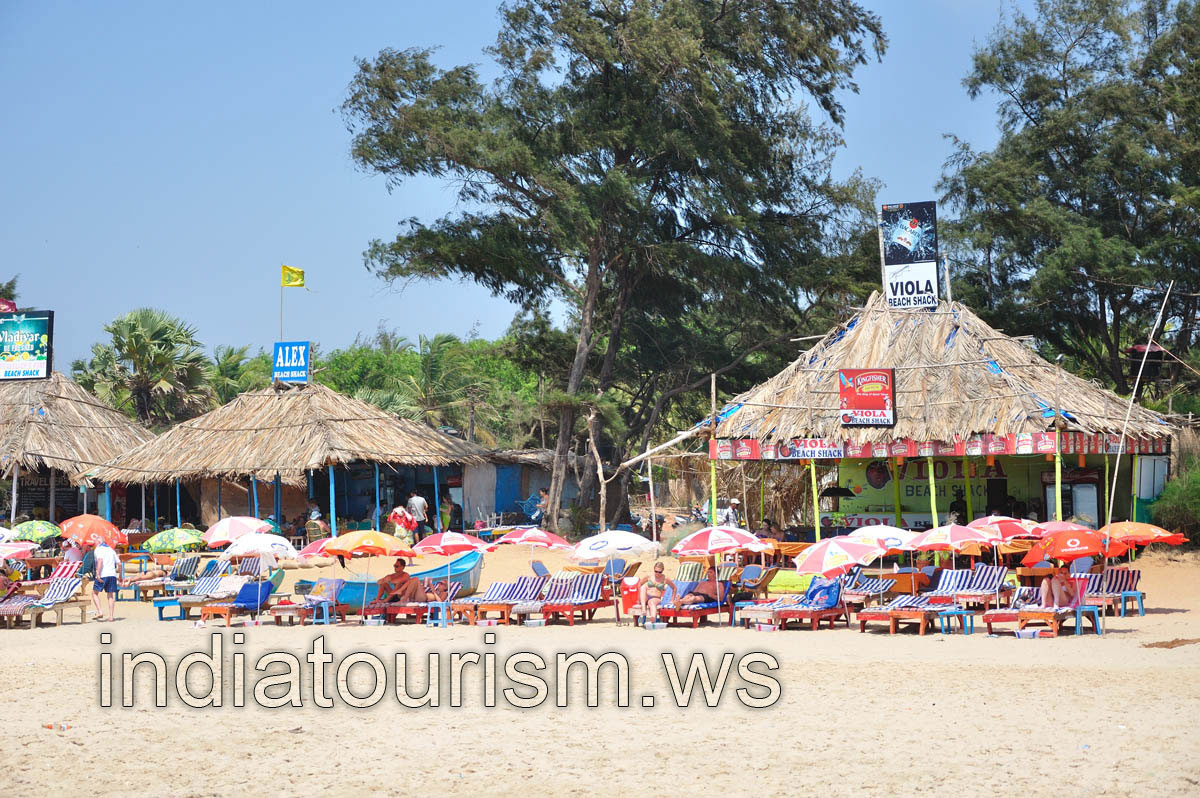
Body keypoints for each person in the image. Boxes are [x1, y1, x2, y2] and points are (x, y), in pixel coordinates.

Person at [375, 559, 442, 603]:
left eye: (397, 566)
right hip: (394, 595)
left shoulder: (405, 575)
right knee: (384, 584)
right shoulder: (391, 575)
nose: (394, 568)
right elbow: (378, 582)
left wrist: (390, 580)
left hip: (402, 596)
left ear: (402, 567)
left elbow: (399, 581)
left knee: (399, 583)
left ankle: (388, 599)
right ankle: (377, 599)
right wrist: (383, 580)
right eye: (394, 566)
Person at [91, 541, 121, 622]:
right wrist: (120, 576)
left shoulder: (98, 549)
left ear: (98, 543)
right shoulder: (111, 550)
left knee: (94, 593)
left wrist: (97, 573)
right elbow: (119, 564)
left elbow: (100, 561)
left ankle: (100, 611)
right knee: (110, 596)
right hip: (112, 574)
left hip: (103, 574)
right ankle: (111, 617)